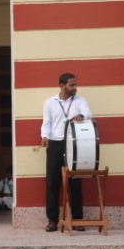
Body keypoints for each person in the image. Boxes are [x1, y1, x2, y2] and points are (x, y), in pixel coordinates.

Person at [41, 73, 92, 232]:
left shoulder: (80, 101)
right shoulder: (50, 102)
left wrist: (81, 115)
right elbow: (46, 122)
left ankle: (77, 220)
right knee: (52, 183)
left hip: (74, 144)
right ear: (62, 85)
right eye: (71, 85)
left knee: (75, 182)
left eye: (76, 85)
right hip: (55, 144)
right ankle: (52, 220)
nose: (75, 88)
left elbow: (88, 113)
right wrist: (44, 136)